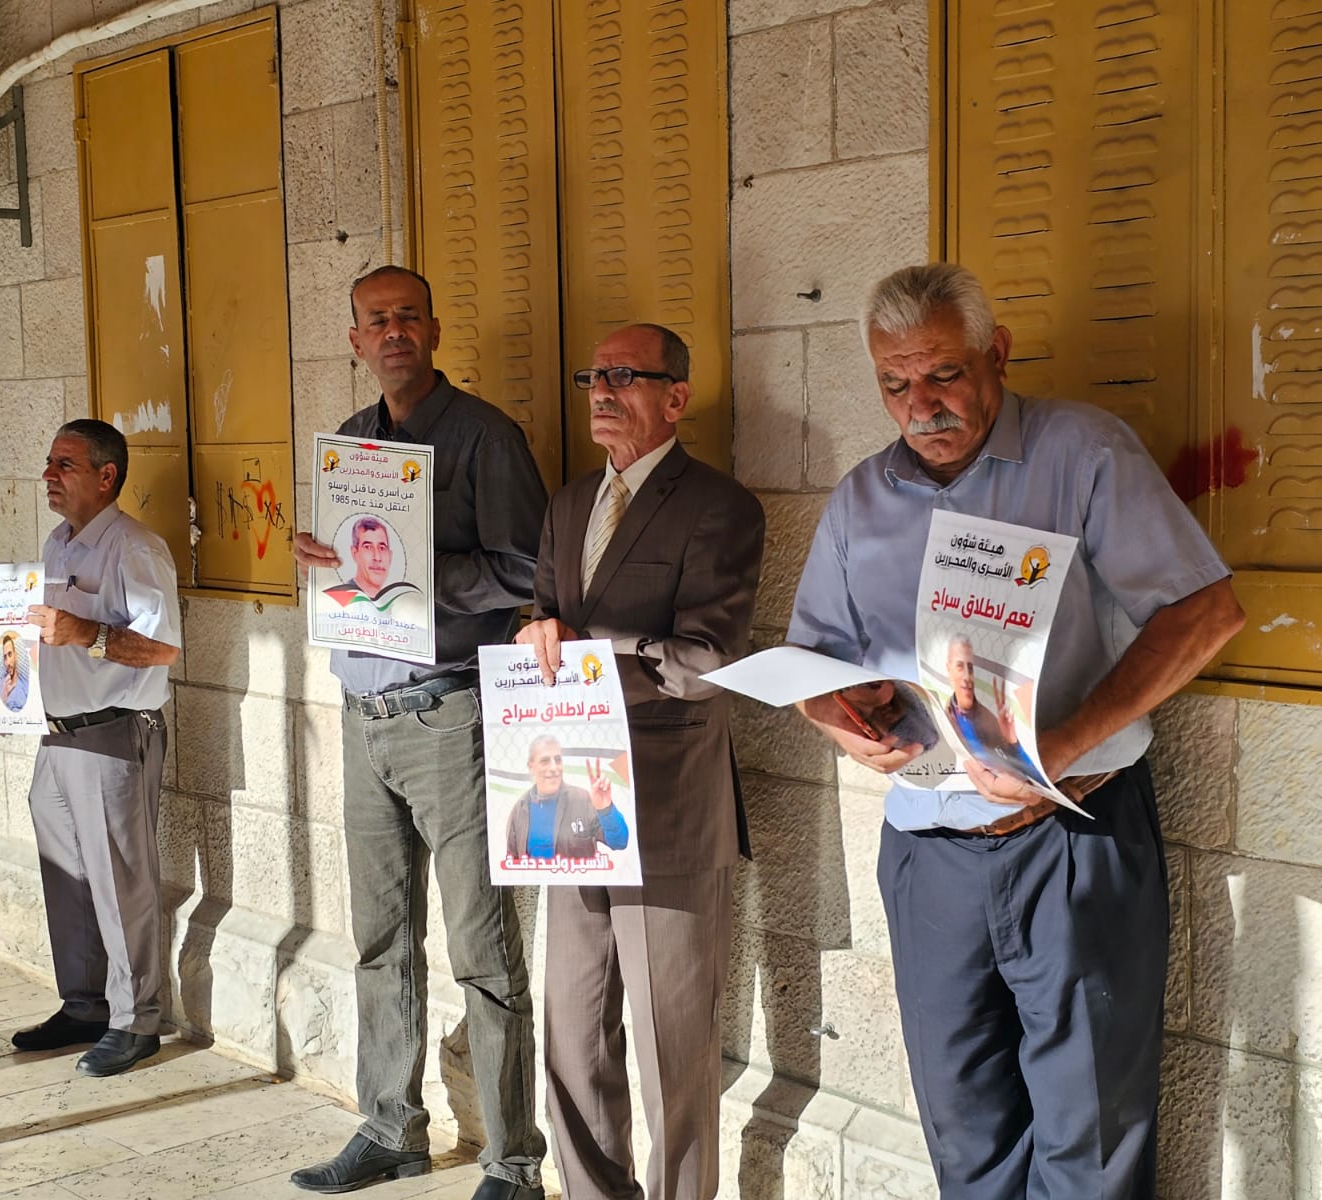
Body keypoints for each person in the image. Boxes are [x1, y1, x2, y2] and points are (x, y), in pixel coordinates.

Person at [790, 262, 1245, 1198]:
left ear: (995, 353)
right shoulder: (858, 501)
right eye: (893, 383)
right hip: (929, 854)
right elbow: (814, 661)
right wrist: (837, 717)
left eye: (943, 374)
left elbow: (1205, 613)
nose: (920, 406)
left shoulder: (1082, 452)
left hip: (1074, 836)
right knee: (964, 1133)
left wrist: (1058, 747)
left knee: (1092, 1136)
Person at [288, 266, 549, 1200]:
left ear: (434, 331)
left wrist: (414, 571)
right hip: (365, 714)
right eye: (376, 320)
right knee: (379, 938)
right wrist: (322, 559)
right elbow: (347, 570)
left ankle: (513, 1161)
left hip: (450, 714)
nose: (393, 331)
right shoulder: (352, 442)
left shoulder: (485, 437)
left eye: (408, 317)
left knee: (483, 948)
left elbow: (528, 568)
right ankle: (391, 1127)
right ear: (355, 339)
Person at [516, 323, 765, 1200]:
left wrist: (592, 650)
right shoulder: (567, 505)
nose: (602, 390)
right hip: (568, 804)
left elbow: (707, 660)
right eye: (594, 376)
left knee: (672, 1049)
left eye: (624, 376)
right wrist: (536, 637)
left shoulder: (721, 506)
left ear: (675, 397)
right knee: (572, 1031)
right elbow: (540, 622)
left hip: (666, 807)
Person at [8, 419, 182, 1078]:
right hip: (56, 734)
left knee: (119, 880)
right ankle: (84, 1004)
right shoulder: (57, 544)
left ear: (107, 476)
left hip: (113, 732)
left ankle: (136, 1021)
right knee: (69, 877)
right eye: (49, 462)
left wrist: (87, 633)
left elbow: (162, 648)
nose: (49, 475)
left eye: (66, 464)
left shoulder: (135, 549)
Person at [503, 735, 628, 862]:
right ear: (531, 767)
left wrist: (605, 809)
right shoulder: (520, 810)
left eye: (557, 760)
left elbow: (620, 842)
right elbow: (512, 864)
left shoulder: (583, 800)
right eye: (545, 761)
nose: (553, 768)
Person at [940, 635, 1039, 779]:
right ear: (949, 669)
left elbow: (1034, 777)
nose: (967, 677)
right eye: (960, 666)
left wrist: (1013, 743)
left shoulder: (991, 720)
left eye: (971, 668)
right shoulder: (942, 717)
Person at [0, 631, 30, 712]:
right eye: (5, 657)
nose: (8, 662)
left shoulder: (26, 687)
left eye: (10, 654)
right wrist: (5, 694)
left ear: (15, 655)